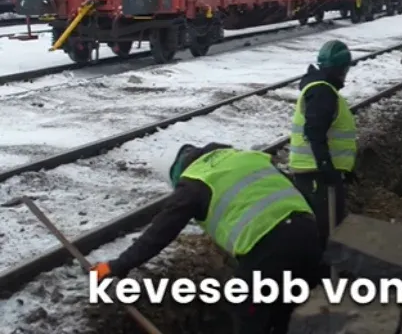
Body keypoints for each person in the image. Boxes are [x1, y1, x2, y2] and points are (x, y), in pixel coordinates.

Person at [90, 143, 323, 334]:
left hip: (270, 245)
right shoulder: (242, 156)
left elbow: (159, 233)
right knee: (288, 309)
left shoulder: (193, 182)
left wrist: (116, 266)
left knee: (248, 310)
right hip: (309, 231)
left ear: (178, 172)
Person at [288, 39, 357, 246]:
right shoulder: (322, 92)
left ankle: (324, 272)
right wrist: (326, 166)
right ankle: (323, 275)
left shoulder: (321, 89)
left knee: (325, 228)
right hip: (316, 174)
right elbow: (314, 131)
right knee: (325, 230)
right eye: (345, 69)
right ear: (340, 69)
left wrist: (344, 168)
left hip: (315, 172)